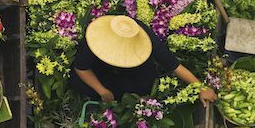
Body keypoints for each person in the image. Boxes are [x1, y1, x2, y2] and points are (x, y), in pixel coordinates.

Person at [69, 15, 217, 105]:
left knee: (143, 85)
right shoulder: (96, 39)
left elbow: (173, 65)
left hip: (133, 69)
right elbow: (81, 68)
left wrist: (200, 87)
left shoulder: (146, 39)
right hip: (99, 67)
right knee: (77, 82)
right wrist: (103, 91)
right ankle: (110, 95)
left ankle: (127, 99)